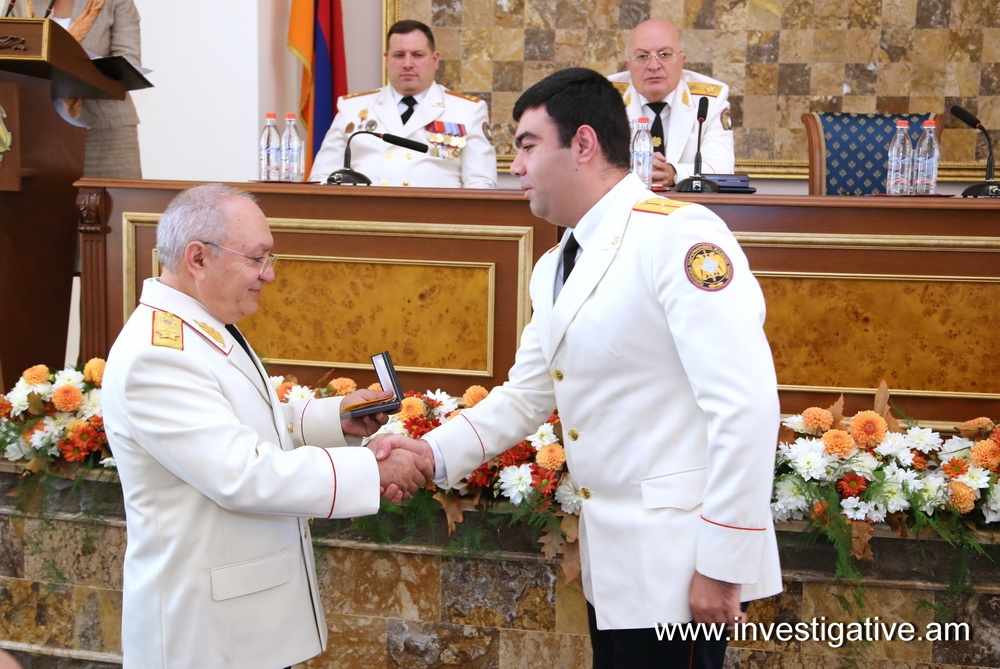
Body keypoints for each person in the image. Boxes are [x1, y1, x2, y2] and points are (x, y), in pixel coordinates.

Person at [383, 68, 781, 668]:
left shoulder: (677, 235)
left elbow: (744, 405)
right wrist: (428, 453)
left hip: (683, 567)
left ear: (585, 144)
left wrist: (724, 565)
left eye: (528, 145)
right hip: (615, 564)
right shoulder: (555, 264)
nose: (515, 166)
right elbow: (525, 395)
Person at [102, 184, 433, 668]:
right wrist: (373, 470)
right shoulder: (158, 355)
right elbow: (242, 473)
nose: (269, 273)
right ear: (198, 258)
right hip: (207, 636)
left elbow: (243, 425)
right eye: (257, 258)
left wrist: (336, 417)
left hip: (239, 624)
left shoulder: (201, 326)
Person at [307, 19, 497, 188]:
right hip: (365, 213)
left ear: (435, 59)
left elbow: (480, 184)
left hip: (436, 215)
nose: (407, 63)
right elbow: (321, 179)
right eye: (399, 55)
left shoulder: (467, 111)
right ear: (387, 59)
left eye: (417, 55)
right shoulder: (352, 108)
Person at [11, 0, 143, 178]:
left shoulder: (115, 2)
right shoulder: (19, 2)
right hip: (36, 130)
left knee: (115, 194)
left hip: (105, 127)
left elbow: (130, 60)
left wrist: (77, 65)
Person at [608, 19, 734, 189]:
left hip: (687, 204)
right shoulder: (605, 97)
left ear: (682, 60)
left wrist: (674, 173)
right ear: (628, 65)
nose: (653, 66)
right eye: (643, 56)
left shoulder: (709, 99)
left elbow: (723, 169)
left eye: (664, 54)